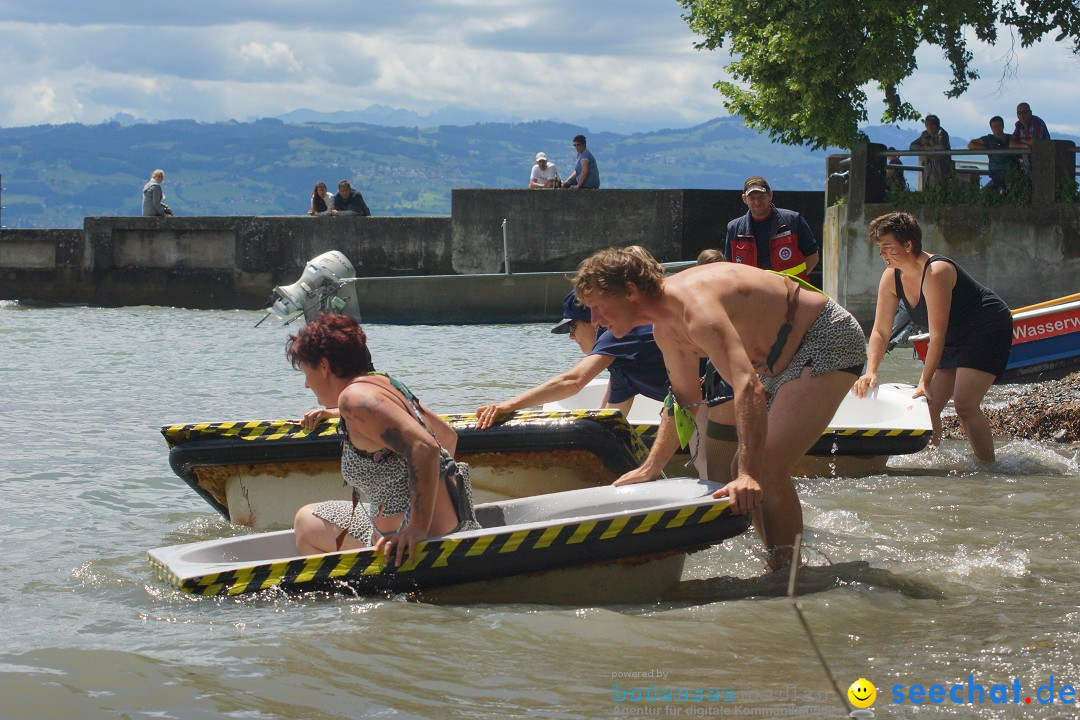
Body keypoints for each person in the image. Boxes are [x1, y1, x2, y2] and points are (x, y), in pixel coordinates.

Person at [571, 246, 866, 570]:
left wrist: (748, 476)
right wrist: (650, 468)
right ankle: (777, 564)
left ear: (630, 291)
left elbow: (747, 387)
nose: (595, 320)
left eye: (598, 306)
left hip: (825, 337)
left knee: (761, 467)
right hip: (774, 360)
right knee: (744, 463)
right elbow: (684, 400)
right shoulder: (664, 329)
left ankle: (787, 575)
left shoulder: (695, 310)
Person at [287, 313, 480, 566]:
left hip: (414, 544)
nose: (306, 385)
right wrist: (335, 413)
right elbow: (447, 436)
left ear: (324, 366)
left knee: (304, 527)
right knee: (306, 518)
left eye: (305, 372)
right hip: (456, 525)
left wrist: (417, 529)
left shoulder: (353, 401)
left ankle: (354, 599)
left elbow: (425, 447)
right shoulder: (385, 384)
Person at [475, 290, 679, 486]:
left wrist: (508, 406)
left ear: (594, 320)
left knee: (705, 458)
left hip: (705, 392)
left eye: (572, 327)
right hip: (693, 402)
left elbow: (572, 381)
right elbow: (607, 422)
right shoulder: (623, 368)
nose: (570, 337)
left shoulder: (617, 333)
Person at [853, 212, 1012, 463]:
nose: (882, 254)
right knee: (927, 406)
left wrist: (924, 380)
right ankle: (930, 464)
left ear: (908, 245)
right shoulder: (891, 276)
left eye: (888, 247)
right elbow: (881, 331)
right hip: (953, 331)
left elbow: (936, 336)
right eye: (879, 248)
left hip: (986, 326)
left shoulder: (936, 271)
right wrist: (871, 370)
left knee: (964, 404)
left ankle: (989, 469)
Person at [723, 176, 819, 282]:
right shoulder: (734, 229)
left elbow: (813, 256)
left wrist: (797, 283)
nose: (757, 202)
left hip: (789, 293)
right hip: (751, 294)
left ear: (770, 195)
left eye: (761, 197)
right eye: (752, 198)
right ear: (744, 199)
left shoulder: (793, 221)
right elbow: (728, 266)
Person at [967, 116, 1018, 193]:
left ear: (1003, 126)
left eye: (999, 126)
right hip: (996, 171)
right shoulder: (989, 139)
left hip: (1012, 170)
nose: (997, 128)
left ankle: (1002, 191)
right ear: (991, 128)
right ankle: (1001, 190)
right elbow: (971, 145)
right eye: (994, 127)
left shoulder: (1011, 138)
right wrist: (987, 148)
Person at [909, 115, 953, 190]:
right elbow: (912, 146)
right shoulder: (924, 134)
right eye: (927, 125)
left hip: (941, 164)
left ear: (937, 125)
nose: (929, 127)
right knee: (928, 186)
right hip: (928, 165)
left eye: (932, 125)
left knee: (941, 186)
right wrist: (921, 148)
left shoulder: (942, 133)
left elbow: (942, 147)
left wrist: (930, 148)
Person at [1009, 102, 1051, 177]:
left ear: (1030, 112)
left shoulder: (1037, 122)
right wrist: (1025, 146)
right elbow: (1011, 144)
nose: (1022, 115)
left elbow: (1035, 142)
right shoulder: (1019, 125)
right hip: (1028, 167)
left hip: (1043, 163)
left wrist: (1021, 141)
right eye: (1019, 113)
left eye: (1025, 112)